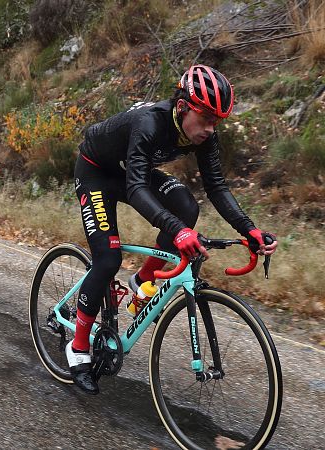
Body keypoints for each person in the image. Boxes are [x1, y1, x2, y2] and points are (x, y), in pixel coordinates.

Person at [67, 64, 279, 394]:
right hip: (95, 172)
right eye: (206, 117)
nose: (211, 128)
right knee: (107, 260)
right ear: (182, 107)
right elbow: (137, 188)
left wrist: (249, 229)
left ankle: (143, 281)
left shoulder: (205, 135)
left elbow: (217, 187)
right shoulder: (149, 122)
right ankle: (78, 348)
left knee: (186, 207)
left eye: (217, 120)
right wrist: (176, 231)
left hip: (127, 171)